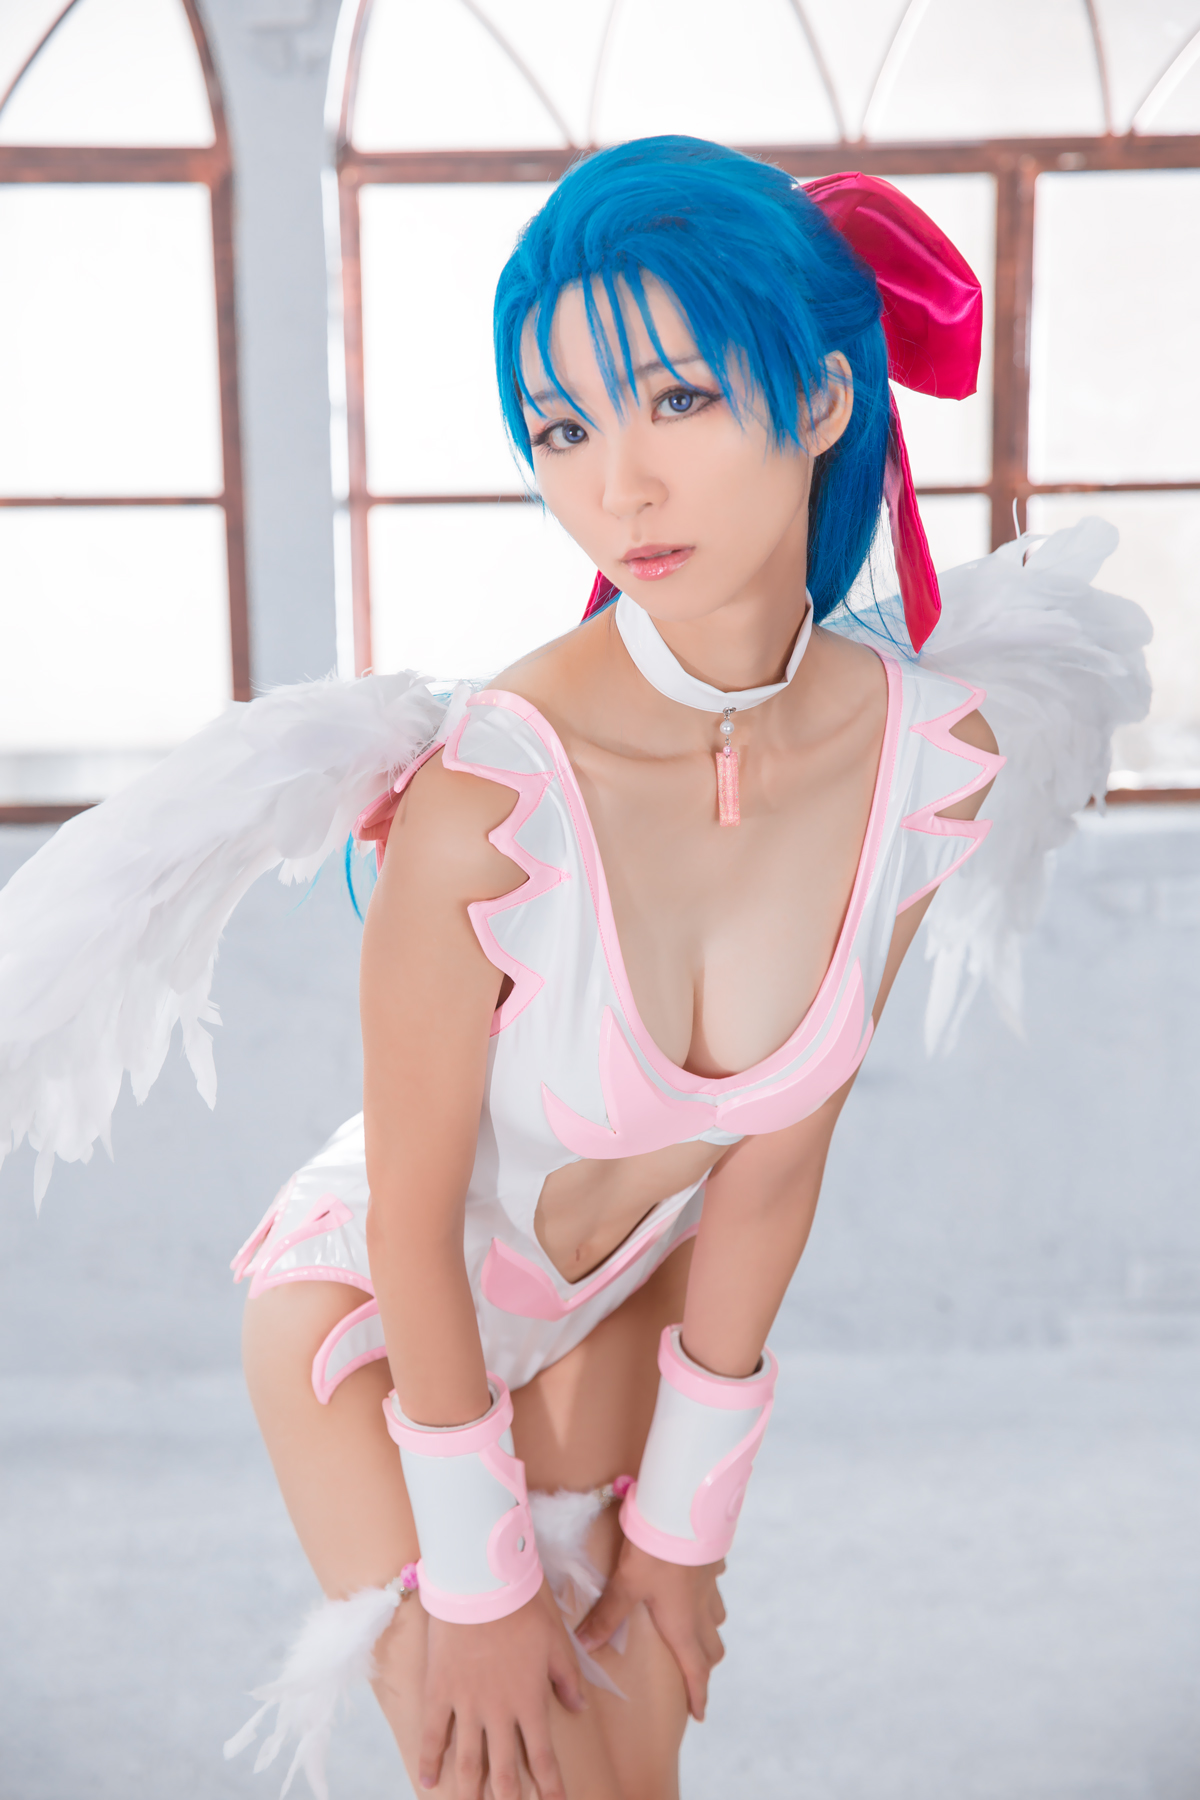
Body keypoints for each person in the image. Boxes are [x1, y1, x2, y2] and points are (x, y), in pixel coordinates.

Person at [0, 138, 1150, 1800]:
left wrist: (685, 1538)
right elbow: (414, 1213)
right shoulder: (488, 794)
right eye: (562, 428)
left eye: (676, 399)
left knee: (630, 1770)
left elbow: (773, 1169)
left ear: (824, 397)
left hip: (622, 1298)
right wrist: (476, 1590)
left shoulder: (927, 764)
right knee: (511, 1778)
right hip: (382, 1316)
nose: (619, 486)